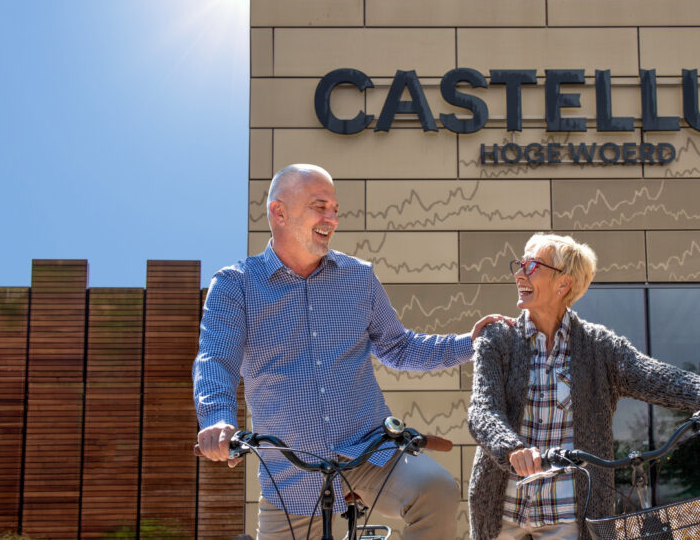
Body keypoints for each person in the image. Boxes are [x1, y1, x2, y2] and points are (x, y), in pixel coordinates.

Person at [194, 163, 508, 540]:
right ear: (279, 212)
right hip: (290, 474)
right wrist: (217, 419)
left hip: (370, 453)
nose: (332, 219)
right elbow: (217, 360)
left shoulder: (358, 277)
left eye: (335, 210)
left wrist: (469, 343)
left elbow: (398, 346)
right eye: (320, 206)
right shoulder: (236, 286)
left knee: (436, 490)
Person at [467, 233, 700, 540]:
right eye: (520, 264)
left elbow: (656, 377)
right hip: (503, 510)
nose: (519, 273)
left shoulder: (599, 347)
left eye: (532, 265)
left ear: (563, 284)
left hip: (570, 516)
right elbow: (482, 410)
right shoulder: (498, 339)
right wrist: (511, 448)